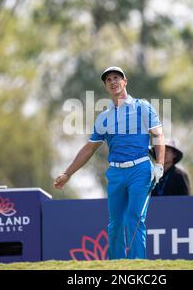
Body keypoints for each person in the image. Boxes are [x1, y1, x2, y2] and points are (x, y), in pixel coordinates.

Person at [53, 66, 165, 259]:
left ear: (125, 81)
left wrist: (160, 164)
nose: (113, 82)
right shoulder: (104, 118)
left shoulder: (143, 107)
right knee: (115, 224)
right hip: (115, 173)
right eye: (108, 80)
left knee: (134, 218)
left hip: (140, 170)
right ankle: (115, 266)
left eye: (116, 78)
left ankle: (137, 267)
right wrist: (67, 174)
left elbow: (158, 136)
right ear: (106, 86)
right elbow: (89, 149)